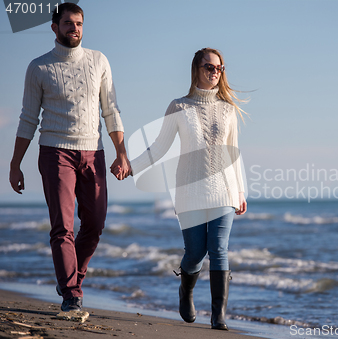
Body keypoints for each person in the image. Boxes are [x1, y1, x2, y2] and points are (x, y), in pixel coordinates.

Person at [9, 3, 131, 312]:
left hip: (94, 152)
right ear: (54, 27)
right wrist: (15, 163)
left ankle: (71, 277)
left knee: (95, 222)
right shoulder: (39, 67)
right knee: (62, 226)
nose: (73, 28)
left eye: (78, 23)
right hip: (55, 151)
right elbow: (28, 119)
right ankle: (71, 293)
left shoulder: (99, 60)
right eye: (67, 23)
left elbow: (110, 110)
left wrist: (121, 153)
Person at [130, 48, 247, 330]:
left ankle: (218, 315)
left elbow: (235, 152)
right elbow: (159, 147)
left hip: (224, 191)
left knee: (219, 249)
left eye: (219, 68)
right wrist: (130, 166)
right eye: (209, 67)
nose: (215, 72)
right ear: (196, 69)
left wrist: (241, 191)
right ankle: (186, 291)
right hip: (189, 192)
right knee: (195, 253)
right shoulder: (179, 107)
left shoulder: (228, 109)